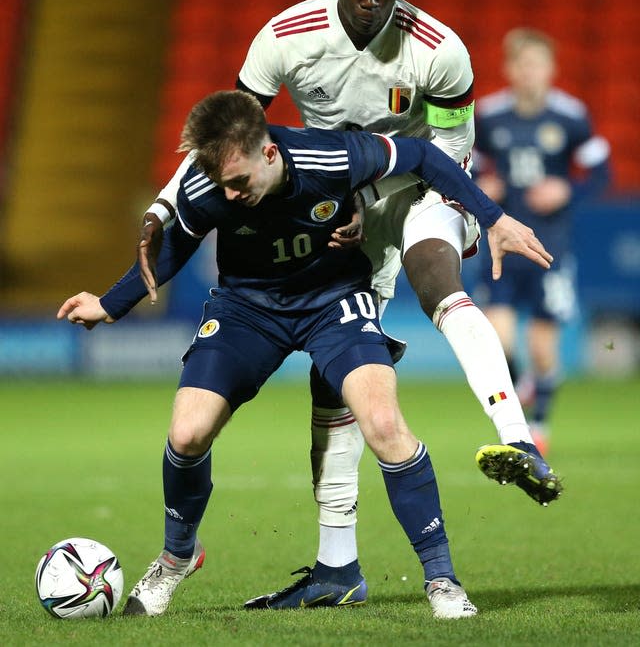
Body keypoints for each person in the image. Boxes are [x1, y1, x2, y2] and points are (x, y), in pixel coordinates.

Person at [138, 0, 563, 609]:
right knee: (337, 379)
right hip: (332, 196)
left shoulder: (441, 52)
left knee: (436, 277)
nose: (370, 1)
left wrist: (472, 215)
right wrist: (163, 205)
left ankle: (518, 438)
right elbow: (227, 138)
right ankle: (338, 569)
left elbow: (448, 156)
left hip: (418, 185)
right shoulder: (285, 36)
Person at [57, 91, 553, 619]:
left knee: (384, 424)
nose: (229, 193)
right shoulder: (210, 181)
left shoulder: (332, 156)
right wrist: (111, 304)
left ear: (268, 153)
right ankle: (177, 557)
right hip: (247, 307)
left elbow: (425, 156)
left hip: (334, 301)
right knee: (186, 433)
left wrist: (492, 217)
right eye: (222, 185)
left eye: (239, 182)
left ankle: (443, 581)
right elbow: (180, 238)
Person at [473, 27, 610, 455]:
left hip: (550, 245)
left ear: (551, 69)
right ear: (509, 68)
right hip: (503, 243)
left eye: (537, 64)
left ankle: (540, 422)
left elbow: (602, 172)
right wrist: (482, 186)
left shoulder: (571, 116)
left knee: (542, 346)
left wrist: (567, 189)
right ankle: (520, 390)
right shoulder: (490, 115)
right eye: (521, 64)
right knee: (499, 339)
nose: (529, 72)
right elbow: (468, 166)